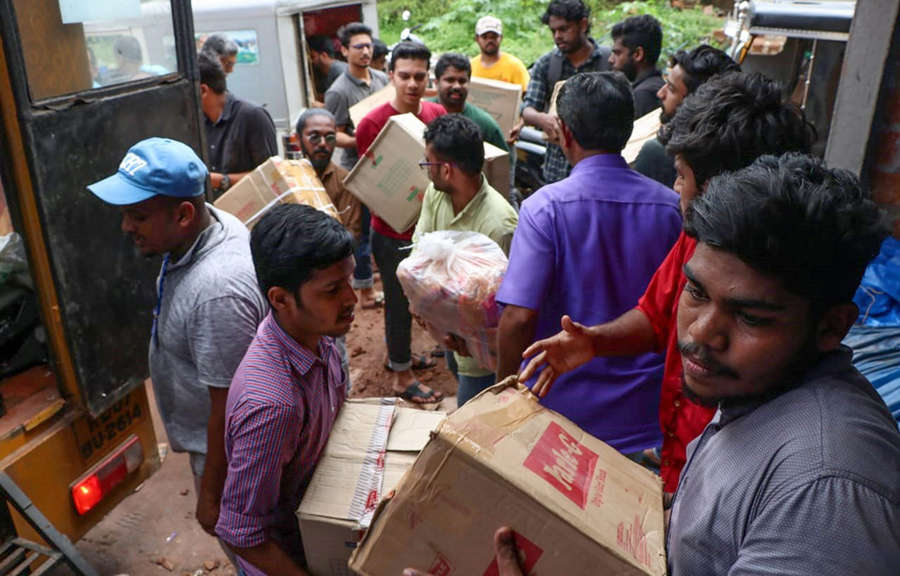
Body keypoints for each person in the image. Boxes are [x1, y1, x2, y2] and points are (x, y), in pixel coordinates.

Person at [411, 153, 900, 576]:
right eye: (696, 293)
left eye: (750, 316)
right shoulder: (753, 393)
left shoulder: (826, 494)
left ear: (831, 327)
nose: (700, 333)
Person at [520, 72, 817, 494]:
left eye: (681, 176)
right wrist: (595, 341)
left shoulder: (786, 277)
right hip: (676, 464)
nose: (675, 189)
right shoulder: (696, 236)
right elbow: (656, 316)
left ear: (718, 188)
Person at [86, 138, 267, 554]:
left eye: (138, 216)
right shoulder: (210, 225)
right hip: (217, 447)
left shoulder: (215, 292)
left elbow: (234, 410)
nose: (125, 227)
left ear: (185, 214)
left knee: (252, 552)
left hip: (233, 459)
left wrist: (211, 495)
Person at [496, 72, 682, 456]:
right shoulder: (672, 209)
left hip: (561, 418)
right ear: (628, 129)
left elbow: (518, 317)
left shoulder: (543, 209)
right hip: (648, 419)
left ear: (563, 132)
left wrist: (502, 392)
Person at [216, 204, 355, 576]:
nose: (352, 299)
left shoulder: (319, 340)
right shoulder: (274, 405)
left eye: (350, 281)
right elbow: (241, 533)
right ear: (280, 299)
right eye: (332, 290)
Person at [355, 41, 446, 403]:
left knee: (431, 298)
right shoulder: (372, 123)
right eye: (404, 76)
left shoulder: (437, 115)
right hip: (391, 232)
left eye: (419, 77)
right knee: (397, 302)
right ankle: (401, 375)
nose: (412, 84)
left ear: (429, 79)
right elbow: (372, 185)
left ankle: (406, 356)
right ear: (390, 75)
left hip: (432, 228)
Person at [413, 115, 518, 406]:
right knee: (455, 369)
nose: (426, 171)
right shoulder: (437, 194)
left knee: (473, 419)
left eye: (428, 164)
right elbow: (419, 248)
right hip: (446, 326)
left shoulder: (499, 225)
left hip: (481, 354)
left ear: (446, 170)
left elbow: (503, 307)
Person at [324, 23, 389, 310]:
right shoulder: (338, 91)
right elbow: (333, 134)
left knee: (387, 226)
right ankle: (365, 292)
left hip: (385, 164)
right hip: (358, 169)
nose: (365, 51)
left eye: (368, 46)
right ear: (344, 50)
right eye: (358, 47)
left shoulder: (381, 79)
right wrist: (361, 139)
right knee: (361, 232)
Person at [296, 108, 361, 390]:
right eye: (314, 137)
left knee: (335, 349)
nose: (323, 143)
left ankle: (340, 400)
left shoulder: (346, 181)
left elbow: (352, 233)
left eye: (329, 137)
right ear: (298, 141)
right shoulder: (288, 178)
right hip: (295, 286)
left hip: (332, 286)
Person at [520, 0, 610, 184]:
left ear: (583, 24)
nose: (557, 36)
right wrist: (543, 120)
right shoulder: (547, 64)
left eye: (564, 29)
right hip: (556, 171)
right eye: (553, 31)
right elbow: (527, 110)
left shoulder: (608, 63)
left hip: (599, 171)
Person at [632, 45, 739, 187]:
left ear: (696, 100)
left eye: (671, 88)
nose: (660, 93)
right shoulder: (737, 151)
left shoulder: (658, 154)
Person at [198, 52, 277, 199]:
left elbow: (271, 176)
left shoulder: (253, 116)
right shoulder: (197, 122)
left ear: (203, 90)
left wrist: (222, 181)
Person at [428, 53, 509, 152]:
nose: (457, 86)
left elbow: (502, 163)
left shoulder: (485, 124)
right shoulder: (422, 113)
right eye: (450, 80)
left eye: (462, 81)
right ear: (436, 83)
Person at [609, 14, 665, 118]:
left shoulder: (644, 95)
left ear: (638, 54)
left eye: (617, 53)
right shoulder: (656, 86)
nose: (611, 60)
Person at [469, 16, 530, 93]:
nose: (490, 41)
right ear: (477, 39)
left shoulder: (515, 65)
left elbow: (527, 94)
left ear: (501, 38)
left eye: (494, 37)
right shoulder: (470, 67)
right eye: (485, 37)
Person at [308, 35, 348, 103]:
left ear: (324, 55)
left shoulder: (340, 71)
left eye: (312, 57)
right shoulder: (325, 74)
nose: (311, 61)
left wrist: (321, 106)